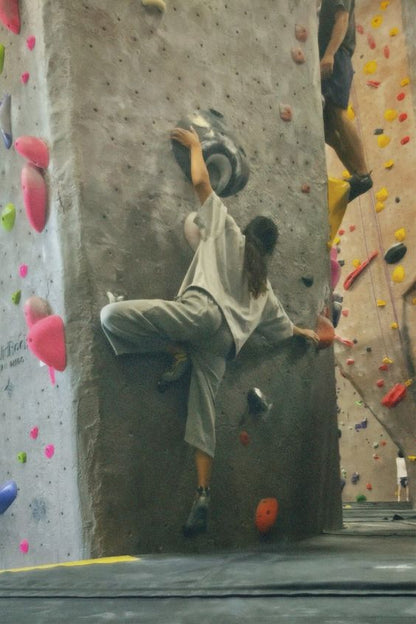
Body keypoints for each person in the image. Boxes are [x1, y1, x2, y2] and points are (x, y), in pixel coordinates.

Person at [100, 127, 319, 537]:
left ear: (248, 230)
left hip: (201, 314)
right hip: (222, 347)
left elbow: (201, 182)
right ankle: (202, 493)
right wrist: (308, 334)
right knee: (204, 417)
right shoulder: (264, 290)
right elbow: (285, 331)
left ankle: (173, 349)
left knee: (112, 316)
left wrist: (197, 147)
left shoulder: (228, 233)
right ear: (269, 253)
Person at [318, 0, 373, 201]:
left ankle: (362, 171)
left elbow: (342, 19)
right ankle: (358, 176)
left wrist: (330, 54)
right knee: (327, 128)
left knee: (336, 111)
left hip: (336, 54)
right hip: (325, 54)